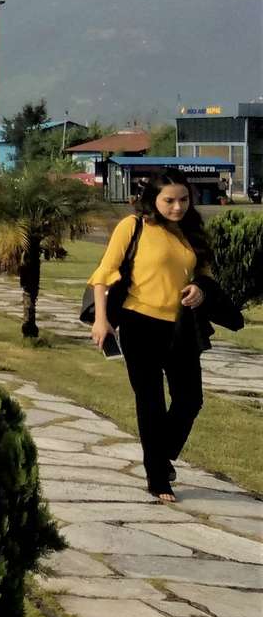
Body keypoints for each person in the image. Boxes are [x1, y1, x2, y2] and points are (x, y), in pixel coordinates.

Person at [88, 172, 214, 503]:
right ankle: (158, 478)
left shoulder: (190, 232)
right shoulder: (133, 226)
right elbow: (103, 274)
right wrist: (102, 321)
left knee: (190, 399)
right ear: (154, 200)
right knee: (151, 403)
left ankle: (161, 454)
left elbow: (204, 275)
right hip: (139, 323)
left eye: (184, 199)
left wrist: (199, 289)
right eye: (169, 200)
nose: (177, 206)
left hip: (180, 325)